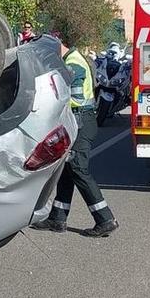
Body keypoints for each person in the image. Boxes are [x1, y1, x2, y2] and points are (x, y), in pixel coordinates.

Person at [31, 31, 119, 237]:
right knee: (67, 169)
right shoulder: (71, 58)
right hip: (77, 121)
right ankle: (57, 218)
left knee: (78, 168)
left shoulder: (73, 64)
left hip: (81, 122)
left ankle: (105, 219)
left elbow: (69, 96)